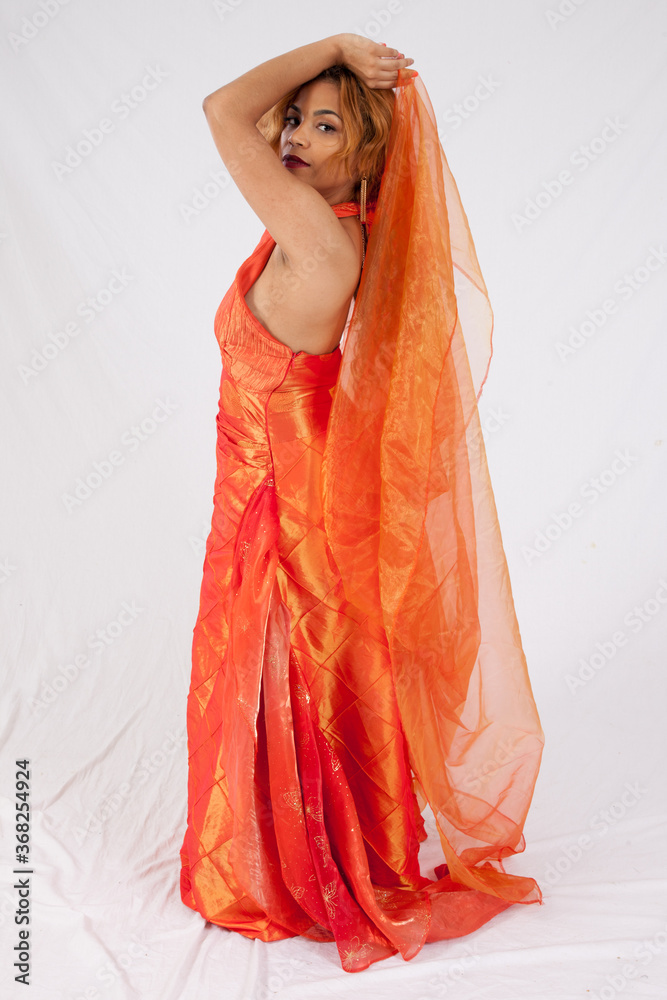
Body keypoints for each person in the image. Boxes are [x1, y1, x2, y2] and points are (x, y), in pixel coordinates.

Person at [179, 33, 545, 974]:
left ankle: (293, 874)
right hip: (272, 484)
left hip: (283, 496)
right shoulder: (318, 220)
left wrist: (336, 46)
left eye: (325, 124)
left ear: (367, 153)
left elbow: (223, 109)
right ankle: (283, 857)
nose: (295, 135)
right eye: (296, 118)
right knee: (277, 676)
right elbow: (254, 118)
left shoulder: (319, 239)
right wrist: (322, 80)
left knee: (286, 672)